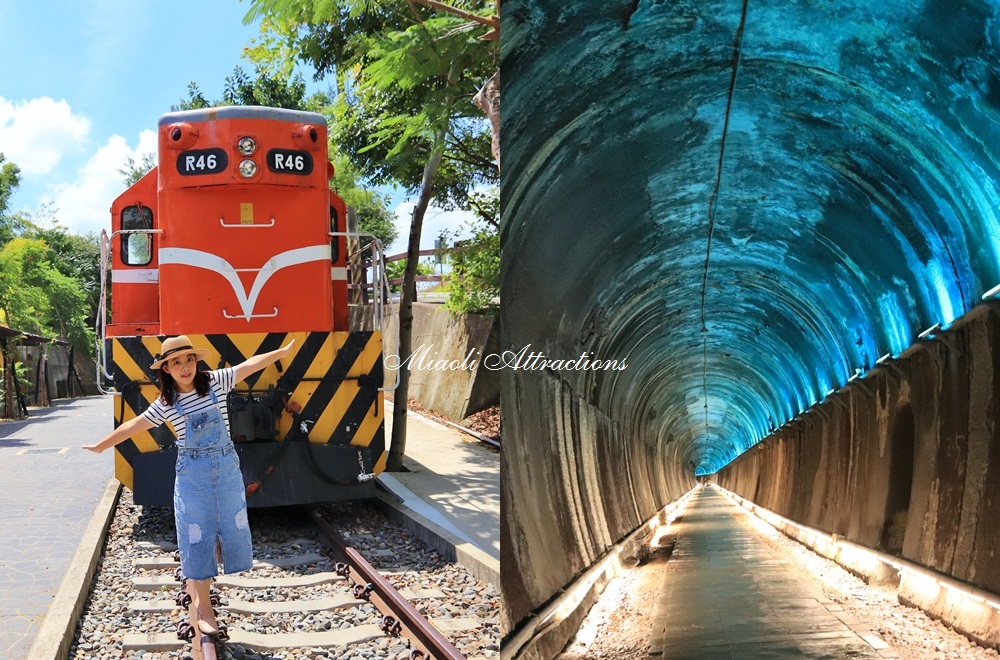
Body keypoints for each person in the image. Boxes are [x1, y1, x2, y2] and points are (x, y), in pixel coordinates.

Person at [84, 334, 294, 656]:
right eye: (176, 362)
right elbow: (136, 425)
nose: (184, 367)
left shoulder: (216, 382)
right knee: (197, 537)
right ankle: (204, 608)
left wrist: (280, 351)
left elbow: (249, 366)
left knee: (233, 528)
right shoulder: (166, 403)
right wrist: (102, 445)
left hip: (226, 470)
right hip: (192, 475)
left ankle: (204, 592)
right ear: (166, 369)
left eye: (189, 360)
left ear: (197, 361)